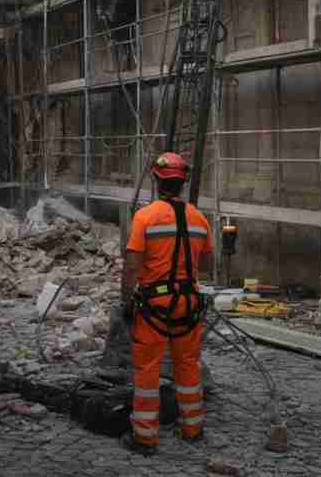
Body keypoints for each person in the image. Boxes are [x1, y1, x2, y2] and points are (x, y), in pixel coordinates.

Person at [121, 152, 212, 455]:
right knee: (188, 366)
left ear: (157, 180)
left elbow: (132, 266)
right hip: (189, 303)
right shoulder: (200, 218)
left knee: (148, 369)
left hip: (154, 304)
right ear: (183, 183)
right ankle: (193, 428)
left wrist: (126, 301)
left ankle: (145, 438)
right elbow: (206, 262)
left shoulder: (145, 217)